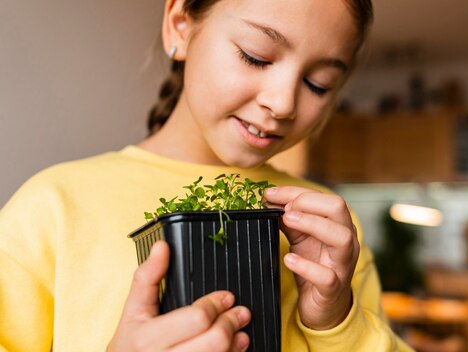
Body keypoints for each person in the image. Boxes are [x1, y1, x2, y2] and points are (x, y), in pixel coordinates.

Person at [0, 0, 413, 350]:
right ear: (180, 26)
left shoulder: (331, 232)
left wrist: (337, 323)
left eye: (318, 83)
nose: (283, 102)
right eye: (256, 56)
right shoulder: (52, 207)